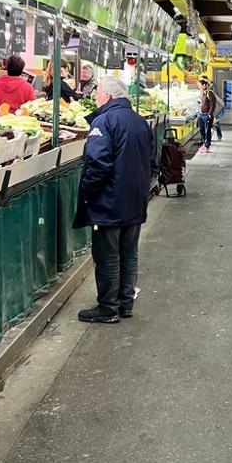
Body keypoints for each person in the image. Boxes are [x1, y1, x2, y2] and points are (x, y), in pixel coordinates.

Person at [73, 76, 157, 323]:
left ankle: (108, 308)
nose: (95, 98)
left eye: (97, 93)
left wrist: (87, 194)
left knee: (108, 254)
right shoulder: (141, 122)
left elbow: (98, 163)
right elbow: (152, 162)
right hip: (135, 201)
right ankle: (125, 303)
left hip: (108, 202)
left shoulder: (104, 121)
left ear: (107, 96)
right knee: (129, 253)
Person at [197, 75, 216, 153]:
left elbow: (213, 104)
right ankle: (204, 144)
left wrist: (210, 114)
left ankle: (207, 146)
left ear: (204, 85)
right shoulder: (202, 93)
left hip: (207, 114)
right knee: (201, 130)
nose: (199, 87)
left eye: (200, 85)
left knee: (207, 131)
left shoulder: (210, 93)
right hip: (201, 114)